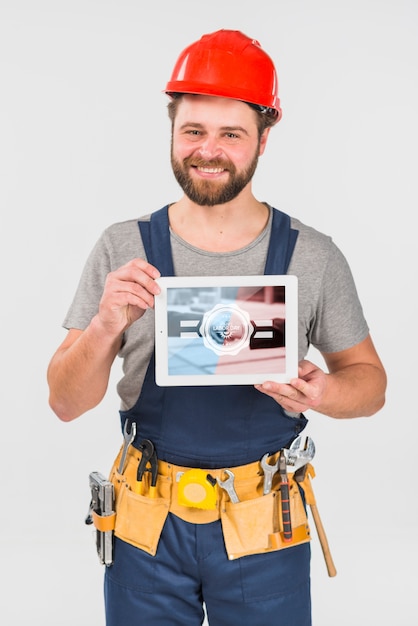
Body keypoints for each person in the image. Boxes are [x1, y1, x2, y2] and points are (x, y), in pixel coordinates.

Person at [47, 29, 386, 626]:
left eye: (231, 134)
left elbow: (371, 383)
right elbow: (64, 403)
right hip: (146, 525)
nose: (209, 150)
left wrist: (324, 392)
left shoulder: (313, 256)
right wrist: (104, 327)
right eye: (193, 131)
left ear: (264, 137)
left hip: (264, 523)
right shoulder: (123, 247)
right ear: (173, 132)